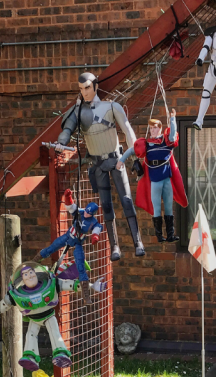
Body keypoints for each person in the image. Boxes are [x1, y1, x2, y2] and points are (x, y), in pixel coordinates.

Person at [57, 72, 144, 260]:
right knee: (106, 206)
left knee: (126, 200)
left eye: (87, 87)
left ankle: (137, 242)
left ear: (95, 86)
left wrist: (136, 154)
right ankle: (115, 247)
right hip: (97, 164)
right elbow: (66, 130)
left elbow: (128, 131)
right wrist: (60, 143)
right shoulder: (78, 111)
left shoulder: (112, 107)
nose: (84, 92)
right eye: (81, 89)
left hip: (116, 160)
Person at [117, 111, 187, 244]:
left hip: (166, 178)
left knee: (168, 206)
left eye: (155, 127)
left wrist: (172, 119)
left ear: (160, 128)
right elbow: (132, 150)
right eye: (151, 128)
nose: (153, 130)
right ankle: (159, 235)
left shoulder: (166, 142)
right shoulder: (147, 144)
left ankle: (170, 234)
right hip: (155, 179)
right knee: (156, 208)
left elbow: (173, 135)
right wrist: (121, 160)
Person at [38, 189, 103, 303]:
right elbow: (70, 207)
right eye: (86, 211)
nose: (86, 213)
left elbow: (96, 231)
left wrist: (95, 238)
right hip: (68, 236)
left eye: (89, 213)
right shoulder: (80, 212)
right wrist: (68, 197)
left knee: (80, 265)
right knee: (53, 246)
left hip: (78, 242)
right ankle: (37, 259)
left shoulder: (93, 222)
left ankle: (85, 293)